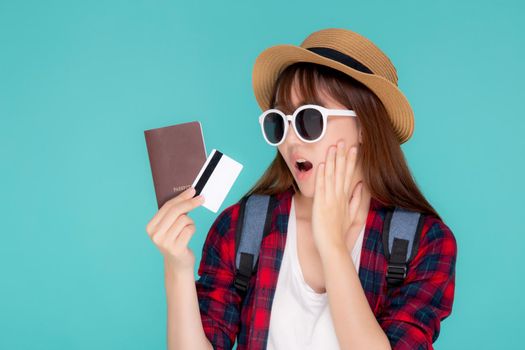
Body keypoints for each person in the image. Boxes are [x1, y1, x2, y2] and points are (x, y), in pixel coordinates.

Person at [146, 28, 457, 350]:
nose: (290, 140)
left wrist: (332, 246)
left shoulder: (424, 242)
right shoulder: (243, 227)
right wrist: (177, 268)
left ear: (364, 126)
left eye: (310, 120)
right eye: (279, 122)